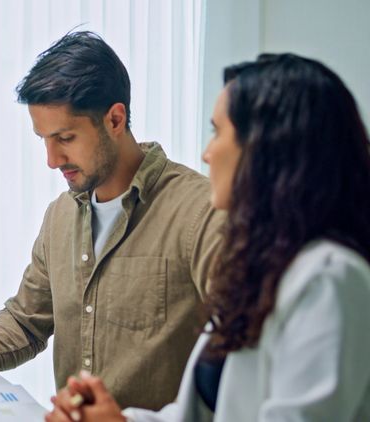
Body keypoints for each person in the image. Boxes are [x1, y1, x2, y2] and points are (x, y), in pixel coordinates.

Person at [47, 53, 370, 421]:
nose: (207, 152)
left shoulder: (328, 279)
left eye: (218, 132)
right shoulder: (259, 271)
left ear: (268, 148)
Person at [0, 31, 224, 410]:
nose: (51, 159)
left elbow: (239, 356)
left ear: (115, 119)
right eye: (43, 140)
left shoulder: (199, 213)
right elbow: (26, 320)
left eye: (65, 137)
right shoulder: (60, 216)